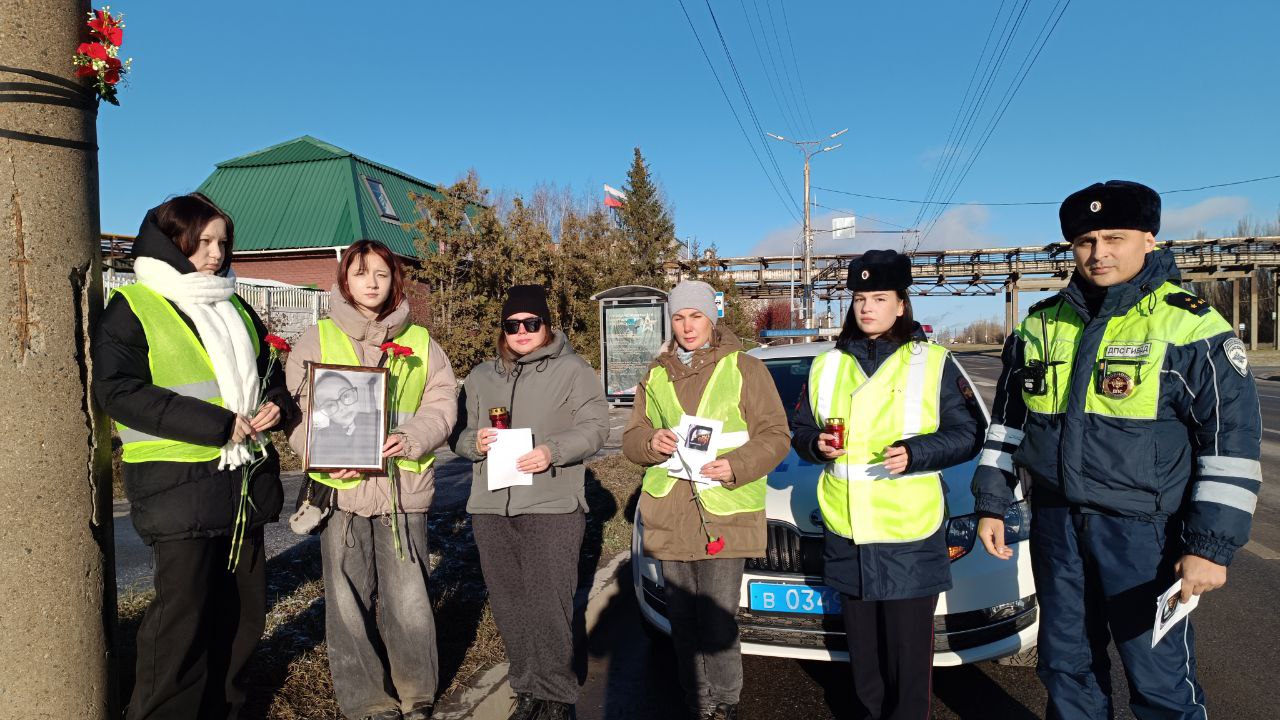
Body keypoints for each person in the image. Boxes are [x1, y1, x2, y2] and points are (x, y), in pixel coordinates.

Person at [971, 180, 1261, 720]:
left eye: (1114, 238)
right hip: (1057, 523)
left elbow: (1230, 443)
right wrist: (991, 501)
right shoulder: (1040, 324)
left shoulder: (1191, 325)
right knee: (1066, 666)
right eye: (1086, 241)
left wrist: (1211, 547)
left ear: (1149, 240)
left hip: (1143, 532)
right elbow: (1008, 425)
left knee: (1159, 679)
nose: (1098, 253)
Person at [94, 193, 296, 719]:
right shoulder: (134, 306)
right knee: (180, 625)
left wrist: (276, 405)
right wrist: (217, 424)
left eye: (223, 243)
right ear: (171, 241)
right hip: (178, 487)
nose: (216, 254)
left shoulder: (236, 307)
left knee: (242, 617)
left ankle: (225, 710)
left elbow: (272, 376)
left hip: (244, 483)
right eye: (203, 241)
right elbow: (118, 391)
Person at [790, 250, 987, 720]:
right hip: (847, 530)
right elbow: (799, 431)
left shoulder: (932, 362)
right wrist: (816, 445)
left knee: (908, 659)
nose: (867, 307)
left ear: (901, 304)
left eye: (879, 298)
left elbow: (969, 433)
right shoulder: (827, 365)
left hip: (908, 533)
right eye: (860, 298)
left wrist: (918, 453)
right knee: (864, 660)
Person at [285, 240, 458, 720]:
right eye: (361, 273)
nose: (372, 283)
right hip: (341, 492)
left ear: (394, 281)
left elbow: (442, 403)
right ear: (344, 279)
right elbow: (298, 411)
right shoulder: (316, 338)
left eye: (382, 274)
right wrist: (321, 457)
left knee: (409, 596)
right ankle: (367, 701)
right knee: (346, 600)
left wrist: (412, 436)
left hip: (403, 488)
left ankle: (417, 693)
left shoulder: (421, 342)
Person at [623, 280, 791, 720]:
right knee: (683, 623)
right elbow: (632, 437)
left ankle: (725, 702)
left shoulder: (745, 368)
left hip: (725, 511)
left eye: (695, 316)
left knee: (716, 622)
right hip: (672, 511)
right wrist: (650, 442)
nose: (687, 326)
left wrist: (736, 465)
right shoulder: (655, 375)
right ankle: (697, 702)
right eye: (679, 317)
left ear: (711, 318)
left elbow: (776, 435)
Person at [450, 284, 609, 720]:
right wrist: (473, 442)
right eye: (512, 324)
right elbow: (457, 433)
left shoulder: (573, 370)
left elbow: (596, 427)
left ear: (547, 325)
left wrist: (552, 451)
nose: (521, 331)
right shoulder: (481, 376)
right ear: (503, 329)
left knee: (548, 605)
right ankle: (526, 688)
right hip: (491, 509)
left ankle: (556, 696)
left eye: (531, 323)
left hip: (551, 506)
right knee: (509, 606)